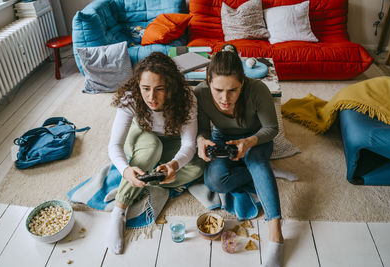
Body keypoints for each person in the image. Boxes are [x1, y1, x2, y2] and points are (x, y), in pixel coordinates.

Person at [194, 47, 284, 267]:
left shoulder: (258, 89)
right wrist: (201, 141)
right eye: (218, 90)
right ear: (208, 81)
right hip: (222, 136)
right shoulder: (200, 93)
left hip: (256, 137)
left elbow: (271, 129)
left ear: (242, 82)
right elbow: (203, 131)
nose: (225, 98)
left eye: (233, 90)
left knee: (256, 160)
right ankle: (261, 175)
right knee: (214, 181)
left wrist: (249, 142)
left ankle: (276, 234)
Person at [107, 52, 204, 254]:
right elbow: (114, 145)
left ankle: (142, 183)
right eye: (146, 89)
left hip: (172, 138)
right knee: (152, 148)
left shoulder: (187, 100)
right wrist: (125, 171)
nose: (151, 97)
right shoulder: (130, 98)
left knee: (197, 167)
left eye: (160, 89)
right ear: (138, 86)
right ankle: (119, 209)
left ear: (171, 86)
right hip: (142, 136)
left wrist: (173, 165)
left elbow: (188, 145)